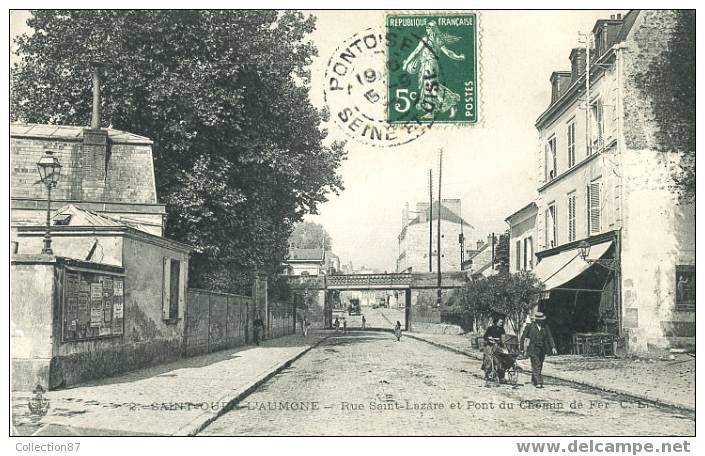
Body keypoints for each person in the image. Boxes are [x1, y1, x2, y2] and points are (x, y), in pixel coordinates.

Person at [402, 21, 465, 119]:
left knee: (429, 86)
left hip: (429, 64)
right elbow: (416, 52)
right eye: (427, 27)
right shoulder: (436, 40)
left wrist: (458, 57)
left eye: (429, 27)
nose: (427, 28)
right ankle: (448, 102)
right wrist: (458, 57)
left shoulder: (428, 40)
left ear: (433, 29)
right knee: (431, 86)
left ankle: (435, 109)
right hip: (429, 64)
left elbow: (447, 52)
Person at [520, 312, 557, 388]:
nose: (541, 321)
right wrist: (522, 348)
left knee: (540, 364)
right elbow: (523, 337)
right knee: (536, 364)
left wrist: (553, 347)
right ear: (536, 320)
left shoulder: (545, 326)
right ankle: (539, 382)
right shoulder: (530, 326)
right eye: (539, 320)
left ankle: (534, 380)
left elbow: (549, 337)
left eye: (542, 320)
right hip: (533, 348)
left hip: (542, 349)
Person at [481, 316, 506, 380]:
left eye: (502, 322)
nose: (501, 323)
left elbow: (504, 337)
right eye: (500, 322)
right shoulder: (490, 328)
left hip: (498, 345)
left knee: (502, 358)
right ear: (496, 322)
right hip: (490, 345)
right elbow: (485, 336)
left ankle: (501, 375)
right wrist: (489, 338)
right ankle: (487, 373)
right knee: (489, 357)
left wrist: (502, 341)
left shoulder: (502, 329)